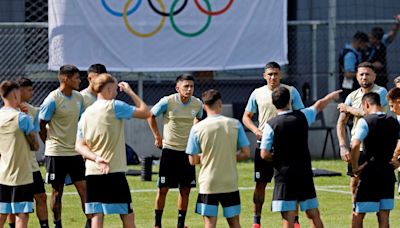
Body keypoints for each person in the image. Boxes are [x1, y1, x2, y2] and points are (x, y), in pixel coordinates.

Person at [75, 73, 150, 228]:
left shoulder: (85, 114)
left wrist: (96, 158)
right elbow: (145, 112)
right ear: (108, 89)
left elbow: (79, 146)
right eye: (115, 89)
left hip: (93, 171)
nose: (116, 92)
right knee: (127, 215)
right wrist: (129, 91)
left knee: (97, 215)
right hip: (113, 170)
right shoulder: (115, 106)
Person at [260, 87, 341, 228]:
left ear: (273, 103)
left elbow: (264, 154)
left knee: (288, 218)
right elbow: (319, 105)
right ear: (290, 101)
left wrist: (276, 159)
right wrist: (330, 96)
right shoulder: (303, 115)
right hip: (304, 172)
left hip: (284, 175)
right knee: (313, 214)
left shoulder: (271, 125)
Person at [242, 61, 304, 228]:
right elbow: (246, 117)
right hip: (264, 145)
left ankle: (295, 220)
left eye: (276, 74)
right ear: (264, 76)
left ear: (280, 75)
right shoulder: (257, 93)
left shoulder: (291, 91)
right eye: (269, 74)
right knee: (260, 183)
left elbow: (301, 115)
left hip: (287, 146)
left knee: (291, 183)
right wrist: (256, 130)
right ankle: (256, 221)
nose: (273, 77)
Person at [186, 89, 250, 228]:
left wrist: (206, 156)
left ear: (204, 106)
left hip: (208, 183)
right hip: (229, 182)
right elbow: (246, 153)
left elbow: (192, 161)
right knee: (234, 223)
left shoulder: (197, 128)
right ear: (220, 103)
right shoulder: (235, 124)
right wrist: (228, 156)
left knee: (209, 224)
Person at [148, 74, 203, 228]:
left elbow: (199, 119)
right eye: (186, 86)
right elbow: (151, 115)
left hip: (187, 153)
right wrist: (158, 137)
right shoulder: (168, 101)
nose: (189, 89)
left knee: (185, 190)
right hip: (170, 151)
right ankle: (157, 224)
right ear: (177, 88)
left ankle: (181, 224)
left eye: (191, 86)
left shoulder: (197, 104)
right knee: (163, 189)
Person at [39, 65, 90, 228]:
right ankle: (57, 224)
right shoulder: (52, 99)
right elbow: (42, 124)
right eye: (76, 77)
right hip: (56, 153)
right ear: (65, 79)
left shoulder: (79, 98)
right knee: (57, 192)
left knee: (84, 189)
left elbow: (81, 122)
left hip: (74, 152)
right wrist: (49, 143)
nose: (79, 80)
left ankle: (90, 223)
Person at [336, 62, 387, 203]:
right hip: (358, 146)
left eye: (367, 74)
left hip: (378, 147)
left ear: (374, 76)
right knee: (354, 183)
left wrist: (349, 108)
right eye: (361, 74)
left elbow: (370, 113)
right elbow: (341, 122)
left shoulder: (380, 92)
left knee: (379, 185)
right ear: (357, 77)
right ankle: (356, 214)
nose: (364, 77)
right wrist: (342, 146)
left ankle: (381, 218)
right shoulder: (352, 96)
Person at [350, 92, 399, 228]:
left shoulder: (365, 121)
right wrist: (398, 160)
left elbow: (355, 145)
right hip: (387, 173)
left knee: (358, 215)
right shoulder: (393, 120)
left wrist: (354, 167)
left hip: (369, 173)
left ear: (366, 104)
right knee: (384, 218)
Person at [7, 77, 49, 228]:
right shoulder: (6, 113)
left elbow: (34, 142)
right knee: (13, 203)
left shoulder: (32, 111)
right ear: (18, 91)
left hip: (31, 164)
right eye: (29, 90)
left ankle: (44, 225)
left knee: (41, 196)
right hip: (12, 165)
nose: (32, 93)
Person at [0, 80, 39, 228]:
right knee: (21, 213)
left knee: (2, 212)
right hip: (21, 174)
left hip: (3, 173)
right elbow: (35, 146)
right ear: (16, 95)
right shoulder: (22, 118)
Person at [366, 15, 400, 88]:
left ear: (376, 39)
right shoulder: (365, 45)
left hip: (381, 77)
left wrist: (398, 22)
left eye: (371, 38)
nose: (370, 39)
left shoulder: (382, 43)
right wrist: (372, 64)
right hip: (368, 76)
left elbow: (392, 33)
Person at [338, 31, 369, 101]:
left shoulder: (355, 53)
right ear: (360, 42)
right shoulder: (350, 55)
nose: (365, 47)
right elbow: (348, 74)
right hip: (350, 89)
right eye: (364, 45)